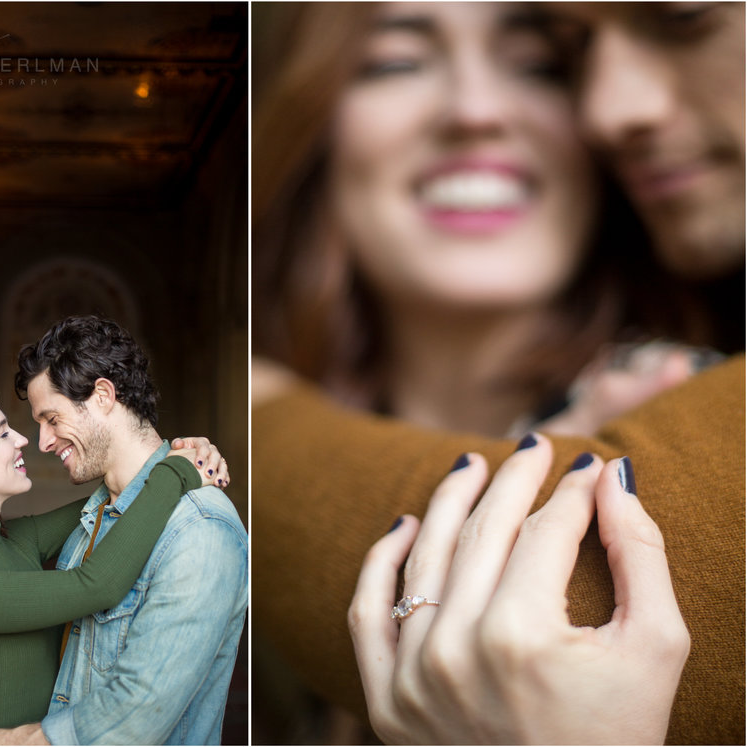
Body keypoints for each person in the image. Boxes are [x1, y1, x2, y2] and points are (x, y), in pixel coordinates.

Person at [252, 1, 743, 743]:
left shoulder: (687, 397)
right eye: (395, 62)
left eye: (542, 67)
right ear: (311, 125)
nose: (475, 112)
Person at [0, 315, 248, 745]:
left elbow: (135, 718)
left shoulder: (200, 529)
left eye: (51, 419)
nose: (41, 442)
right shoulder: (95, 517)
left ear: (104, 396)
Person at [0, 381, 228, 728]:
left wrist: (182, 453)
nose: (22, 440)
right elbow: (97, 586)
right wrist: (176, 471)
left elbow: (124, 494)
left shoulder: (17, 540)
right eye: (3, 433)